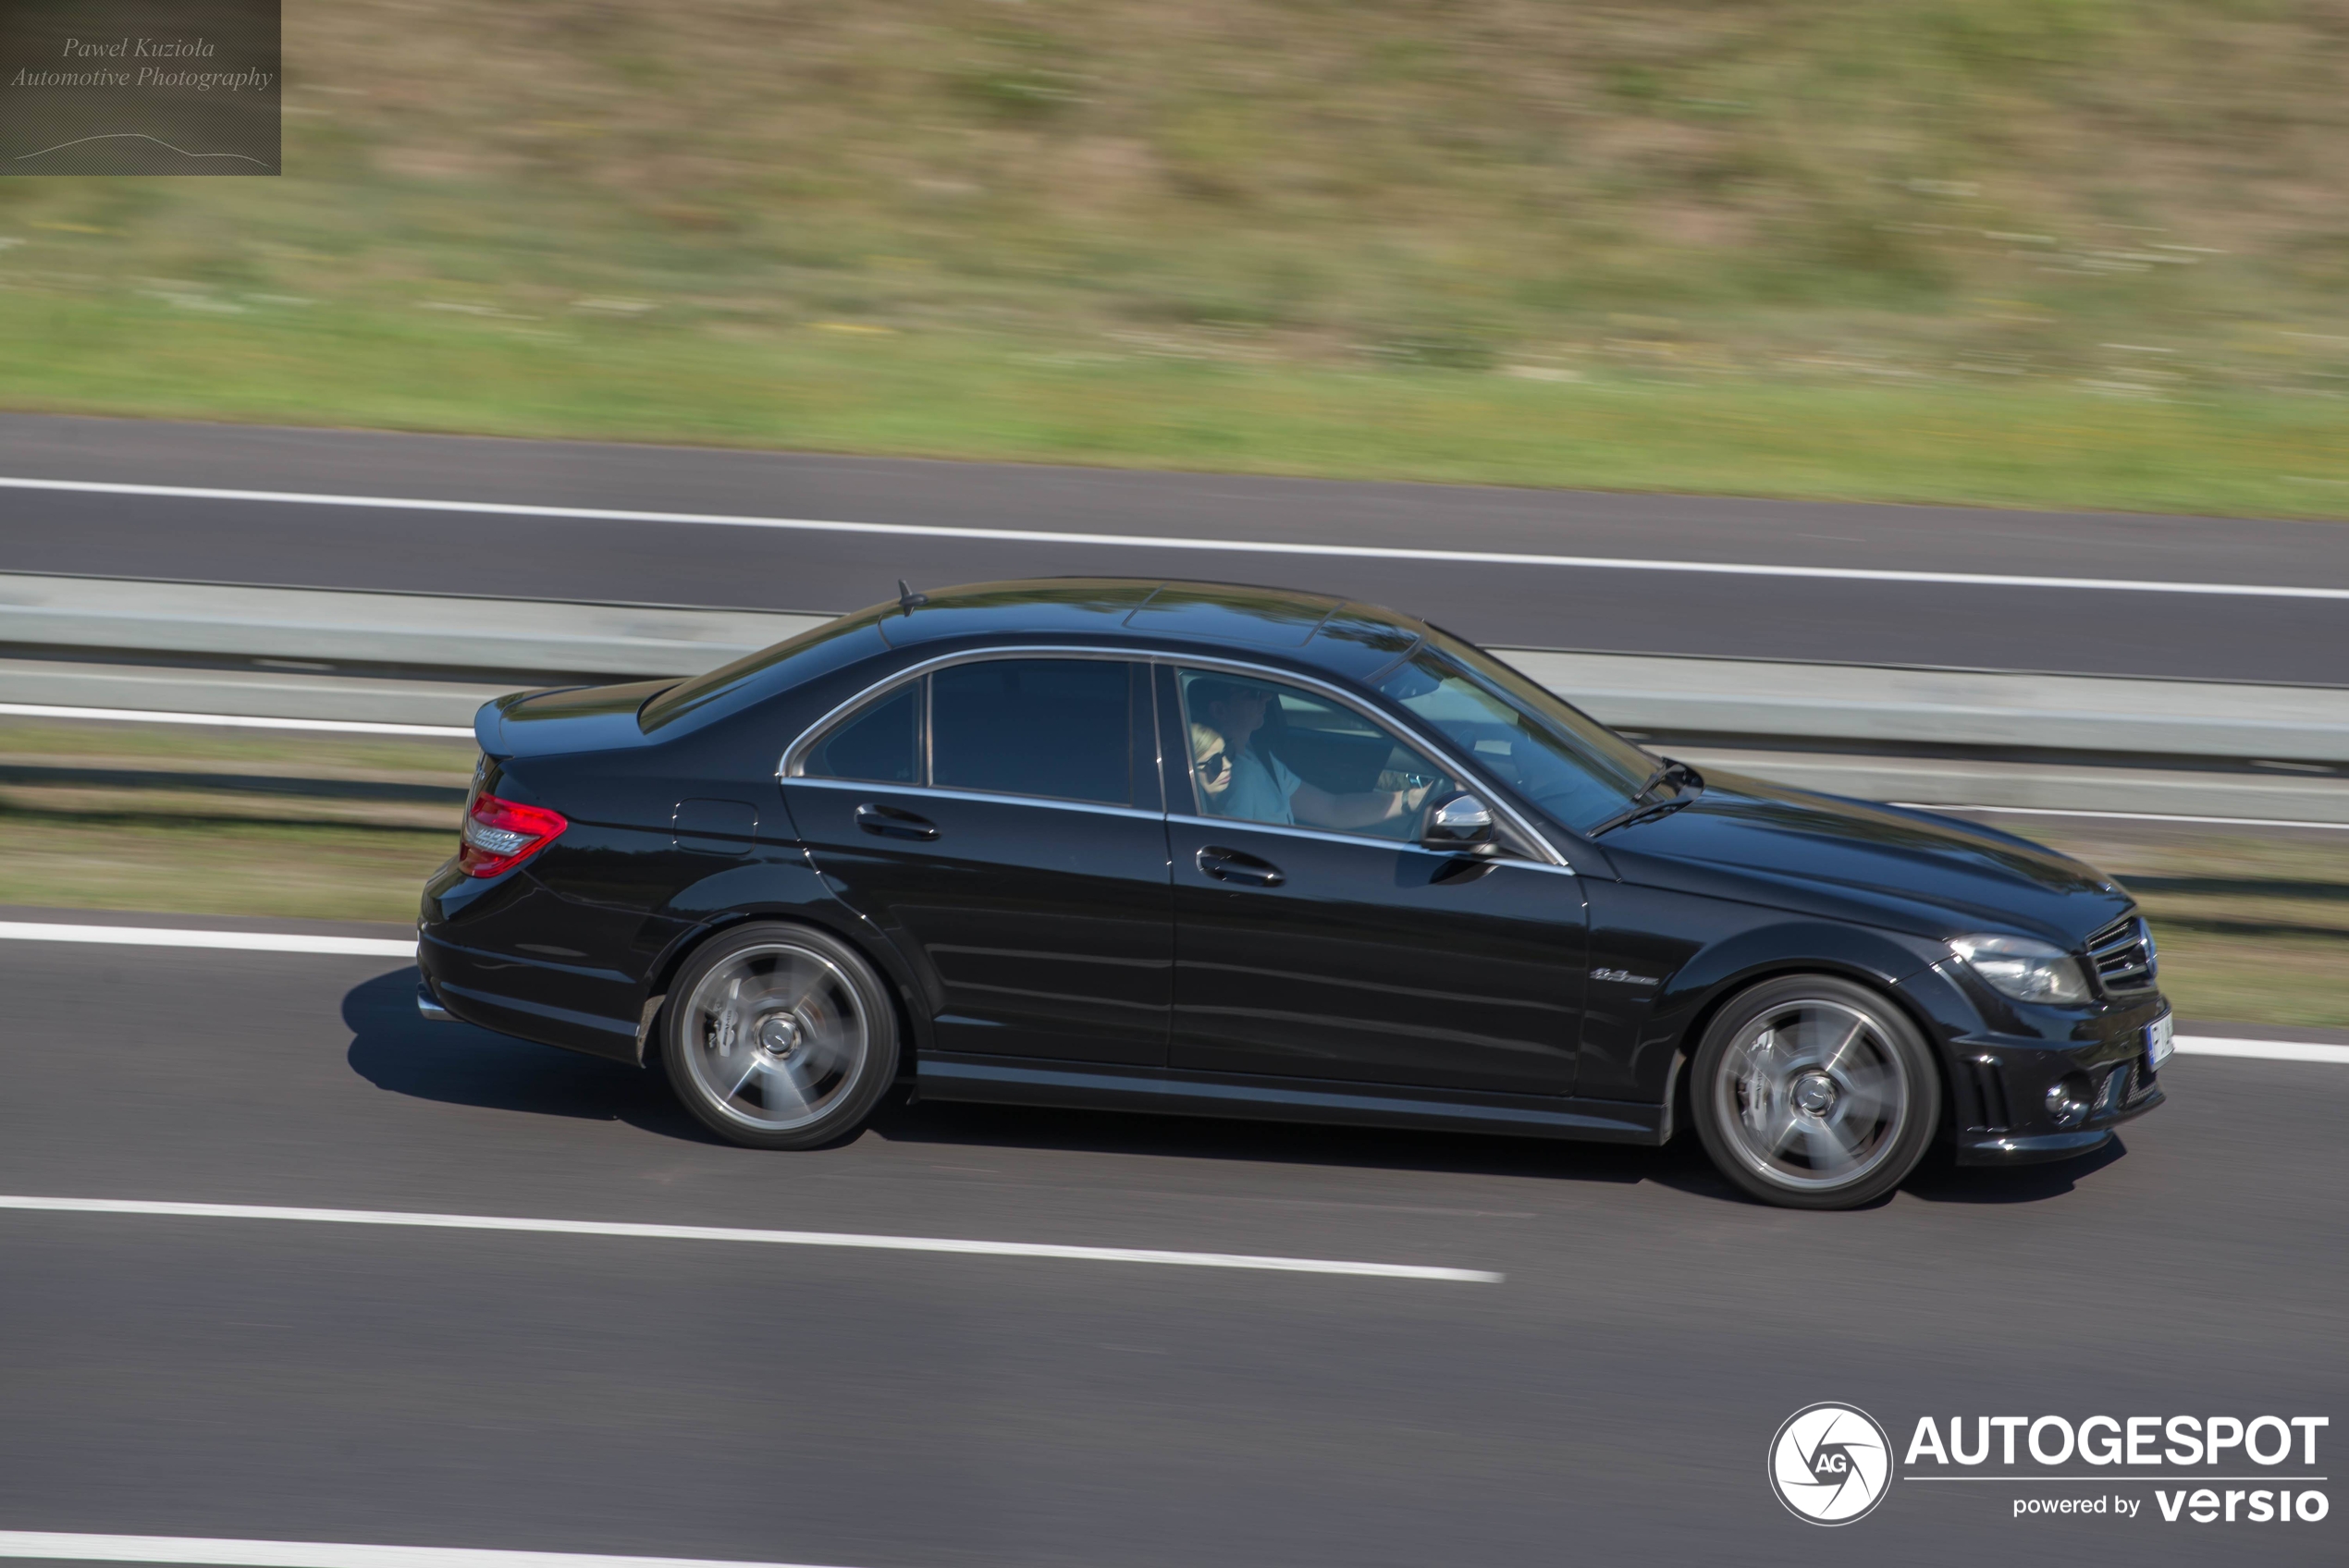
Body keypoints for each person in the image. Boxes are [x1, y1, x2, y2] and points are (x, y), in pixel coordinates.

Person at [1191, 679, 1432, 830]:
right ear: (1219, 710)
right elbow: (1234, 850)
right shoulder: (1233, 777)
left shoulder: (1257, 757)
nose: (1266, 697)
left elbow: (1332, 808)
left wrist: (1411, 799)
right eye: (1252, 694)